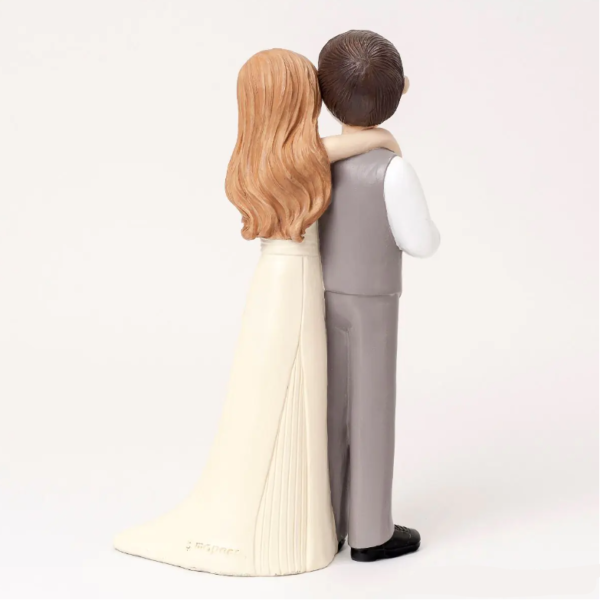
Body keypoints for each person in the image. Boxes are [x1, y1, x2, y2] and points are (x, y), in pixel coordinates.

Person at [114, 48, 400, 576]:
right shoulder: (299, 157)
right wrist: (383, 138)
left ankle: (308, 519)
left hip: (273, 282)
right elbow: (346, 145)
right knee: (290, 391)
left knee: (277, 393)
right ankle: (285, 529)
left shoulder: (263, 157)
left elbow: (329, 149)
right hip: (293, 285)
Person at [318, 30, 441, 563]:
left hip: (323, 294)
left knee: (328, 411)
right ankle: (370, 531)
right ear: (400, 90)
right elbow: (420, 241)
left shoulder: (313, 160)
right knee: (371, 411)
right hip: (373, 301)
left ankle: (323, 523)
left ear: (325, 95)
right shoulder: (392, 169)